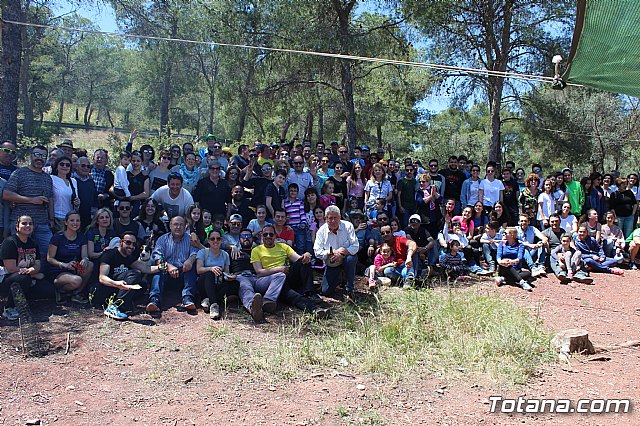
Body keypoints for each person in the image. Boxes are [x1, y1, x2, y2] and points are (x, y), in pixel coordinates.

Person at [239, 224, 324, 322]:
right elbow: (259, 272)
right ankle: (315, 309)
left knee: (305, 261)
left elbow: (297, 259)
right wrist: (278, 269)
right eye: (265, 234)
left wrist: (306, 255)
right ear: (262, 236)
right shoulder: (256, 250)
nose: (268, 237)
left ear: (275, 236)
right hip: (272, 281)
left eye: (271, 234)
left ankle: (310, 293)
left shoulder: (283, 246)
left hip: (287, 275)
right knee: (292, 296)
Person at [94, 231, 162, 320]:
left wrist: (161, 267)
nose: (131, 246)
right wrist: (116, 283)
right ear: (120, 242)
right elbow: (102, 278)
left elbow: (146, 269)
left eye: (134, 244)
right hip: (101, 289)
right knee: (135, 274)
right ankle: (116, 307)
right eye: (128, 242)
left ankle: (121, 302)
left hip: (117, 289)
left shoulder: (129, 258)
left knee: (142, 286)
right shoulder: (109, 254)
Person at [3, 145, 54, 259]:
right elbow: (6, 194)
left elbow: (50, 199)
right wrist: (31, 200)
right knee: (20, 256)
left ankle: (40, 275)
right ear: (31, 156)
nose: (39, 158)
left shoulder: (47, 178)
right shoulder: (19, 173)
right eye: (36, 155)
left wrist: (52, 218)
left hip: (42, 224)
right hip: (22, 224)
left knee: (47, 254)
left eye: (43, 156)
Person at [147, 216, 199, 312]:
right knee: (159, 269)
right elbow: (156, 256)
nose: (178, 227)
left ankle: (187, 298)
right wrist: (168, 266)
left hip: (183, 272)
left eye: (181, 225)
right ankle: (155, 300)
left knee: (192, 268)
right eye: (175, 224)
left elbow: (195, 252)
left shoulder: (190, 239)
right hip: (167, 272)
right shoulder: (162, 239)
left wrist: (190, 260)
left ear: (185, 227)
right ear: (170, 226)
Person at [0, 216, 43, 320]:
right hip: (5, 278)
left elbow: (37, 264)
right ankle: (8, 308)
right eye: (24, 223)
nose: (27, 226)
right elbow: (10, 269)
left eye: (30, 223)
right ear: (17, 226)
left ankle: (23, 302)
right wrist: (33, 273)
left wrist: (32, 270)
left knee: (47, 289)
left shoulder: (33, 243)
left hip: (26, 275)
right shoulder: (10, 242)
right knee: (23, 278)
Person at [46, 211, 94, 304]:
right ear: (66, 222)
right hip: (59, 270)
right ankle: (60, 291)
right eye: (72, 220)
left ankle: (77, 293)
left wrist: (85, 259)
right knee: (77, 280)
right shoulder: (58, 237)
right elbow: (49, 258)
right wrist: (63, 265)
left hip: (74, 268)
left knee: (90, 265)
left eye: (77, 221)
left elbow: (84, 255)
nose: (75, 223)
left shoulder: (81, 237)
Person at [313, 205, 360, 297]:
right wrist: (332, 252)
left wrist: (342, 253)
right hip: (332, 262)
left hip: (346, 258)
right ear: (325, 218)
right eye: (330, 218)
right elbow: (317, 252)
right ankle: (339, 277)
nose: (333, 221)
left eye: (335, 218)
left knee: (351, 259)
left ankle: (349, 288)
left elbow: (355, 246)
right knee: (326, 291)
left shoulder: (348, 226)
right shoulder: (321, 232)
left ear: (340, 217)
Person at [196, 229, 239, 320]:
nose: (215, 241)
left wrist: (230, 277)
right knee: (209, 274)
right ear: (209, 241)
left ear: (221, 240)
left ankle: (209, 300)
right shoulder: (203, 252)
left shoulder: (225, 255)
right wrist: (211, 268)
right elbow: (198, 270)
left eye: (218, 239)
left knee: (236, 283)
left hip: (218, 284)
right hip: (204, 283)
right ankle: (214, 305)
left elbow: (226, 273)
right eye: (212, 239)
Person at [378, 223, 418, 288]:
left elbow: (412, 243)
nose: (385, 234)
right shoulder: (383, 246)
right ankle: (404, 280)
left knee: (412, 256)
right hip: (395, 268)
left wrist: (409, 256)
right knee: (387, 271)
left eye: (387, 232)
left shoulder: (399, 239)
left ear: (392, 232)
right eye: (383, 233)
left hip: (406, 265)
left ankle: (409, 280)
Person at [495, 227, 532, 291]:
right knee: (506, 264)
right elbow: (498, 256)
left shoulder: (520, 245)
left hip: (516, 269)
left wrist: (512, 261)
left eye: (505, 233)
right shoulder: (502, 244)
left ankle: (504, 279)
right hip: (504, 267)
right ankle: (521, 282)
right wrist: (501, 262)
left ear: (512, 235)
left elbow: (519, 259)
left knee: (528, 274)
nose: (504, 234)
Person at [50, 156, 80, 232]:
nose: (64, 166)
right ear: (56, 166)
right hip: (57, 218)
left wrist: (77, 203)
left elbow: (75, 199)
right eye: (62, 164)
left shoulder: (73, 181)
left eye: (67, 165)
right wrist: (51, 219)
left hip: (71, 219)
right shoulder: (51, 179)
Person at [74, 156, 97, 229]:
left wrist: (94, 217)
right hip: (75, 217)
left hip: (89, 218)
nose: (86, 168)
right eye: (83, 165)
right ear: (77, 166)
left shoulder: (91, 182)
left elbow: (94, 199)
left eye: (88, 166)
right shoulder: (71, 180)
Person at [126, 151, 150, 218]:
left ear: (142, 162)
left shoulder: (145, 176)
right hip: (126, 206)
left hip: (139, 207)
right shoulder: (126, 174)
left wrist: (133, 198)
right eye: (133, 161)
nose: (135, 163)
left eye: (138, 161)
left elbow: (146, 194)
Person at [396, 163, 418, 227]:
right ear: (405, 171)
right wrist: (400, 206)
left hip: (413, 206)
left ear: (413, 171)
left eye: (411, 170)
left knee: (414, 224)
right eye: (407, 170)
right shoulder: (401, 181)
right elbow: (398, 195)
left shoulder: (415, 181)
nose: (409, 171)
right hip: (404, 206)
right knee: (405, 224)